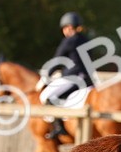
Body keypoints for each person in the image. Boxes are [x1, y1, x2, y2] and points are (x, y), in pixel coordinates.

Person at [39, 12, 93, 141]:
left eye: (64, 28)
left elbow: (57, 60)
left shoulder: (69, 40)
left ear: (69, 27)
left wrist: (45, 76)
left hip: (74, 77)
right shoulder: (86, 40)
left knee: (46, 96)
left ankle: (58, 127)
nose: (64, 31)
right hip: (88, 79)